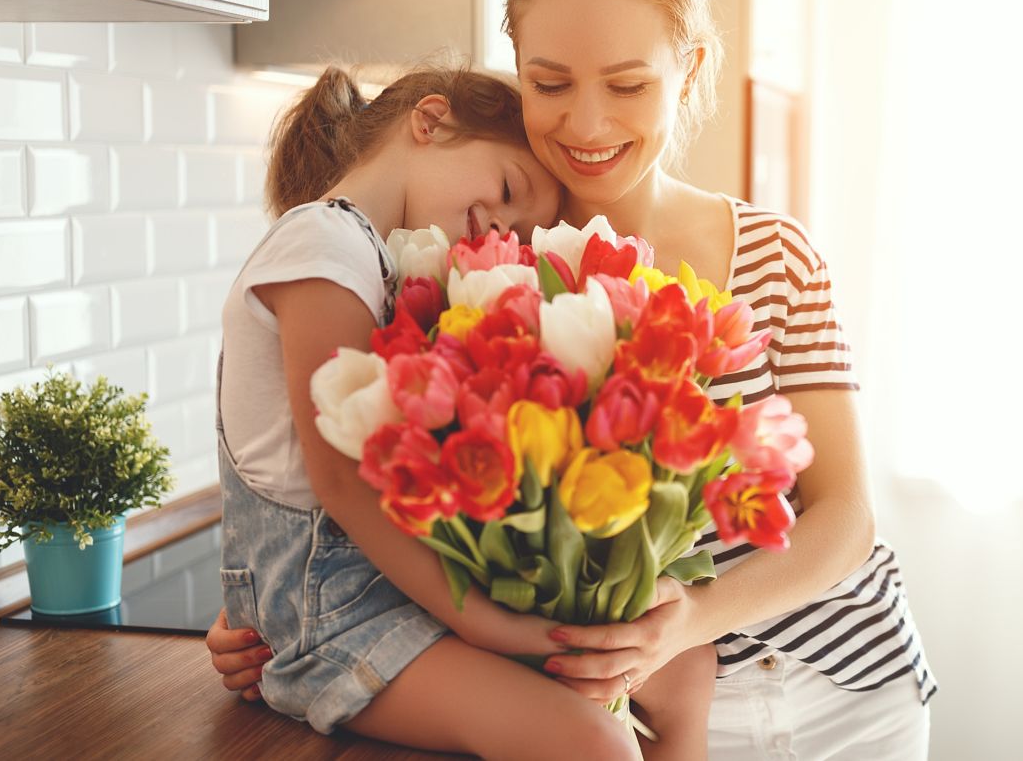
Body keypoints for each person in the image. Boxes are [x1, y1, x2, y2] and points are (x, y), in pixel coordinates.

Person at [211, 0, 937, 759]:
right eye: (550, 83)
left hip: (843, 691)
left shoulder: (775, 256)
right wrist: (258, 603)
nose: (586, 123)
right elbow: (381, 487)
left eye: (627, 84)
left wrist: (690, 620)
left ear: (691, 68)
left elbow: (845, 518)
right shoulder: (467, 271)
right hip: (630, 710)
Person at [213, 61, 714, 760]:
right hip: (335, 620)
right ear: (430, 120)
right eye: (509, 189)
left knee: (687, 667)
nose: (498, 225)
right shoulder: (322, 245)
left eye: (516, 223)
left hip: (396, 593)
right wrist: (488, 626)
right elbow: (337, 485)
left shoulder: (380, 261)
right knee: (590, 740)